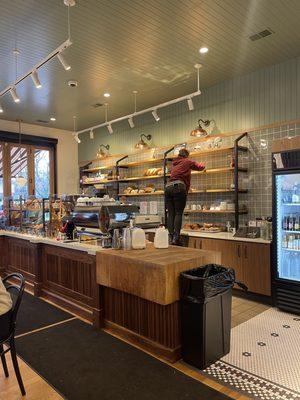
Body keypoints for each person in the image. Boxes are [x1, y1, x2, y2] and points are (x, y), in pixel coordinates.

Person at [165, 148, 205, 245]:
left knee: (171, 214)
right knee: (178, 213)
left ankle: (170, 237)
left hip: (168, 187)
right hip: (178, 187)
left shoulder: (175, 164)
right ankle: (176, 238)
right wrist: (204, 164)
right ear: (186, 155)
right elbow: (200, 167)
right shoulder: (187, 161)